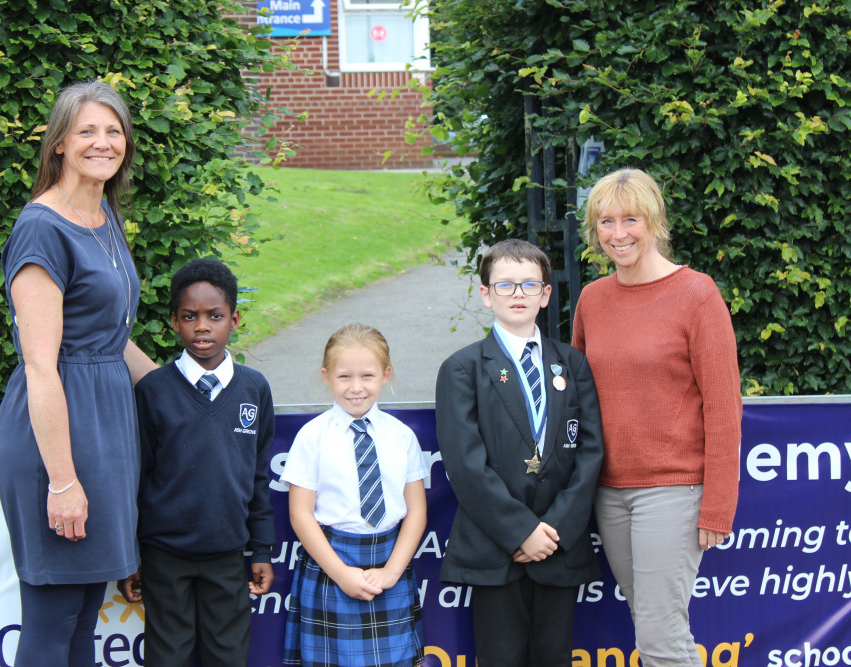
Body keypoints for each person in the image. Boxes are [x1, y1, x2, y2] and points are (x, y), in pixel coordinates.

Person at [0, 80, 158, 666]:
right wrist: (62, 481)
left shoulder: (105, 214)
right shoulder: (42, 226)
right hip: (55, 436)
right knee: (52, 619)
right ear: (59, 142)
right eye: (87, 130)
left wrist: (172, 391)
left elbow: (109, 335)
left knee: (85, 614)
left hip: (104, 426)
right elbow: (42, 363)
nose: (103, 143)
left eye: (113, 131)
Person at [572, 168, 742, 667]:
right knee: (653, 624)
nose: (617, 233)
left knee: (661, 635)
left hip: (673, 491)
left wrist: (718, 505)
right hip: (609, 491)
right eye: (605, 222)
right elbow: (579, 398)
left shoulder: (697, 295)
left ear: (654, 222)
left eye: (630, 219)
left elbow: (724, 407)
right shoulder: (593, 299)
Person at [435, 239, 604, 667]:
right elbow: (465, 464)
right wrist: (520, 532)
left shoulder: (573, 364)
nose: (517, 295)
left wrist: (552, 529)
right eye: (505, 285)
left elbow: (590, 452)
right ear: (485, 294)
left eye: (529, 285)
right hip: (496, 548)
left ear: (546, 294)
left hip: (557, 545)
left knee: (554, 657)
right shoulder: (463, 368)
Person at [117, 258, 276, 666]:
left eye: (214, 316)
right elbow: (137, 477)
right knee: (167, 655)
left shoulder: (254, 389)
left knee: (228, 655)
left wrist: (260, 550)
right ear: (174, 321)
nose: (202, 326)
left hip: (227, 553)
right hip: (164, 554)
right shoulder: (153, 390)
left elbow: (259, 476)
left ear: (234, 319)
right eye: (190, 316)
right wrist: (131, 554)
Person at [281, 323, 428, 667]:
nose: (356, 387)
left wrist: (392, 571)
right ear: (326, 375)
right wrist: (342, 574)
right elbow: (301, 514)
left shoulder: (402, 436)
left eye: (367, 375)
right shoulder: (311, 437)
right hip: (331, 565)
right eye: (344, 376)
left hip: (389, 563)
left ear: (386, 374)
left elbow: (416, 512)